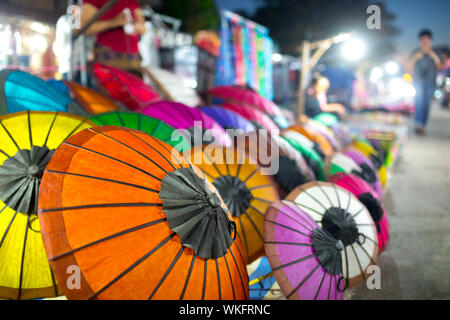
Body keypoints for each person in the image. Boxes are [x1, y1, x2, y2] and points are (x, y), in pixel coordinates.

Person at [82, 0, 146, 75]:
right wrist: (114, 22)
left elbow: (143, 28)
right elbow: (84, 29)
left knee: (135, 86)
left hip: (133, 58)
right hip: (108, 56)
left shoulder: (131, 1)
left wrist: (136, 26)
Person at [408, 29, 441, 134]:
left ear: (430, 40)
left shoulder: (435, 53)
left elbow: (441, 67)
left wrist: (434, 57)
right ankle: (419, 124)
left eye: (427, 39)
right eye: (423, 39)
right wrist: (414, 58)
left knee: (426, 104)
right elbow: (408, 67)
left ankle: (423, 124)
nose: (425, 41)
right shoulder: (415, 52)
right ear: (420, 40)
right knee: (419, 101)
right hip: (418, 81)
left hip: (430, 82)